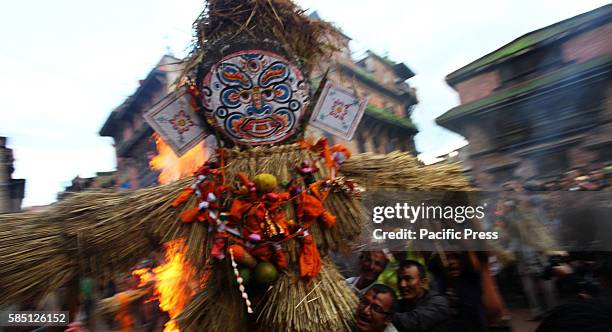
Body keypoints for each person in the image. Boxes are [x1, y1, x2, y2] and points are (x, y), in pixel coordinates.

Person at [392, 260, 451, 332]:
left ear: (423, 282)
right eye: (399, 279)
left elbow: (413, 322)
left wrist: (385, 315)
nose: (402, 285)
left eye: (408, 279)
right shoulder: (399, 305)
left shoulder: (439, 303)